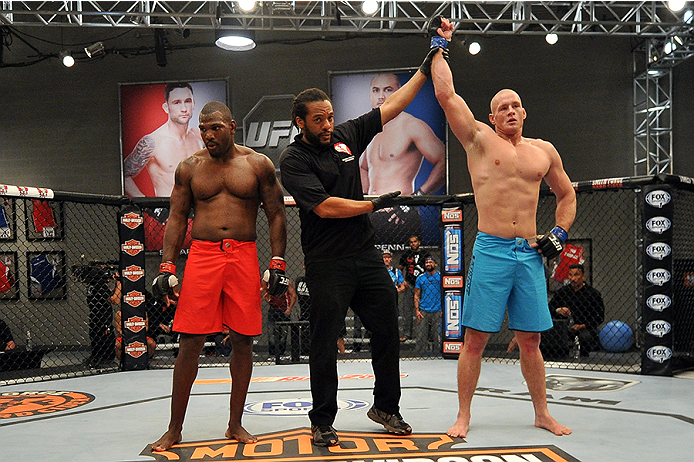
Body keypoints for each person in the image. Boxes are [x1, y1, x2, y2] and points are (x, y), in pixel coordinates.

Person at [278, 49, 440, 445]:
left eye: (330, 116)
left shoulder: (345, 137)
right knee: (324, 342)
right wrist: (373, 203)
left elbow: (394, 105)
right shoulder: (294, 158)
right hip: (327, 262)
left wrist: (427, 65)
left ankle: (386, 407)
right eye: (319, 120)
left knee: (387, 330)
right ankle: (322, 420)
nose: (328, 124)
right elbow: (326, 207)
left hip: (365, 256)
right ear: (300, 122)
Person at [430, 17, 576, 438]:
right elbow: (445, 94)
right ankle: (463, 416)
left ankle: (542, 413)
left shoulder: (543, 152)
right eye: (502, 108)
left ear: (524, 112)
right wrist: (440, 43)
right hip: (492, 249)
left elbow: (567, 197)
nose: (510, 111)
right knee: (474, 339)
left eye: (515, 105)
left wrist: (559, 235)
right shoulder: (478, 140)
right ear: (492, 118)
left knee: (530, 340)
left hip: (529, 253)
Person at [150, 101, 288, 451]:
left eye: (215, 128)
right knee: (190, 341)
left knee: (243, 340)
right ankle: (175, 427)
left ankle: (235, 423)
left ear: (232, 125)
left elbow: (275, 214)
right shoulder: (190, 167)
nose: (208, 135)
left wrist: (278, 262)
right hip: (202, 256)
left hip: (243, 254)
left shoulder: (258, 164)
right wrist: (167, 265)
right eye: (203, 129)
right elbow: (178, 218)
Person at [361, 73, 446, 241]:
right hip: (371, 214)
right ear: (370, 95)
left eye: (388, 90)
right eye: (376, 90)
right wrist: (364, 198)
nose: (381, 96)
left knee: (407, 264)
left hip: (399, 213)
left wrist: (416, 198)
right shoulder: (369, 129)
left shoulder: (411, 126)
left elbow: (444, 160)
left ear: (399, 92)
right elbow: (363, 167)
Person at [124, 82, 204, 198]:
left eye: (187, 101)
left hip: (199, 211)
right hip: (169, 211)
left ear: (194, 104)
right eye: (177, 103)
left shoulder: (199, 136)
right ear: (166, 107)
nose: (184, 109)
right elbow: (124, 174)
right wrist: (146, 204)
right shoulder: (153, 142)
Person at [548, 264, 605, 356]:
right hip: (565, 327)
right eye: (570, 275)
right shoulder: (563, 292)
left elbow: (599, 317)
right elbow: (550, 307)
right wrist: (558, 310)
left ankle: (584, 356)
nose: (573, 278)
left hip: (585, 328)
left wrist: (582, 325)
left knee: (585, 337)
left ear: (583, 276)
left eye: (576, 275)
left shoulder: (593, 294)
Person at [398, 235, 431, 342]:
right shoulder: (406, 254)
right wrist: (403, 281)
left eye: (415, 241)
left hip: (423, 285)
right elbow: (400, 269)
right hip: (410, 284)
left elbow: (430, 267)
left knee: (425, 309)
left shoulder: (425, 254)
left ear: (419, 242)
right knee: (407, 310)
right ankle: (407, 334)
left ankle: (428, 334)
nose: (413, 244)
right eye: (411, 242)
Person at [414, 255, 442, 353]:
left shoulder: (441, 276)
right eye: (426, 262)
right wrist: (417, 310)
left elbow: (445, 293)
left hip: (438, 309)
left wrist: (443, 309)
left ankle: (439, 354)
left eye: (430, 262)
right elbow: (417, 294)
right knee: (421, 335)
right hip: (423, 309)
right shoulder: (420, 278)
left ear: (435, 264)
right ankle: (419, 354)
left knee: (437, 335)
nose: (428, 264)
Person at [264, 278, 297, 358]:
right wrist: (270, 302)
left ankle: (281, 354)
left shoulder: (286, 282)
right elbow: (266, 293)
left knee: (283, 334)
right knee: (272, 333)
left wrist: (289, 309)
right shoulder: (271, 281)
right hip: (274, 310)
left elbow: (293, 295)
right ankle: (272, 354)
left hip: (283, 310)